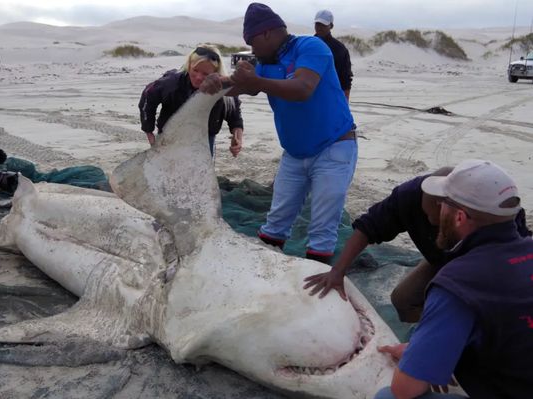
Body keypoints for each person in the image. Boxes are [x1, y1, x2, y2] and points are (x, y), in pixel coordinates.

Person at [208, 3, 356, 264]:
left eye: (252, 42)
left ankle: (314, 290)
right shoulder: (266, 62)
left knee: (322, 229)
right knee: (275, 223)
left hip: (333, 148)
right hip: (295, 154)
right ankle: (265, 273)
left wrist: (257, 82)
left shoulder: (311, 47)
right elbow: (236, 87)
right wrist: (213, 84)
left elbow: (303, 88)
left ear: (266, 33)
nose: (252, 50)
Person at [375, 159, 533, 399]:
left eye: (442, 204)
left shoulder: (458, 284)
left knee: (388, 397)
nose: (438, 211)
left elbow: (405, 390)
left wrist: (419, 362)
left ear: (459, 217)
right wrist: (427, 350)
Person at [302, 167, 531, 322]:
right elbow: (367, 227)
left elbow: (516, 260)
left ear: (457, 212)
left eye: (438, 220)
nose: (431, 222)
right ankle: (433, 333)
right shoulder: (408, 196)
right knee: (403, 300)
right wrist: (338, 271)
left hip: (489, 266)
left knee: (480, 314)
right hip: (440, 258)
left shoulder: (495, 210)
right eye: (426, 215)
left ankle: (456, 338)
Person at [139, 45, 244, 157]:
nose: (198, 77)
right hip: (170, 136)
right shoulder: (171, 83)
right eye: (195, 70)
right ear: (189, 66)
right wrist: (149, 131)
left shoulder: (224, 90)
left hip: (204, 138)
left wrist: (237, 138)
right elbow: (148, 96)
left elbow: (235, 116)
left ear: (216, 73)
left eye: (206, 74)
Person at [313, 10, 353, 100]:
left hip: (331, 96)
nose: (319, 27)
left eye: (323, 24)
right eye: (317, 24)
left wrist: (345, 102)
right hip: (310, 95)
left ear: (331, 26)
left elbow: (346, 78)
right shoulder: (307, 45)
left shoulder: (340, 49)